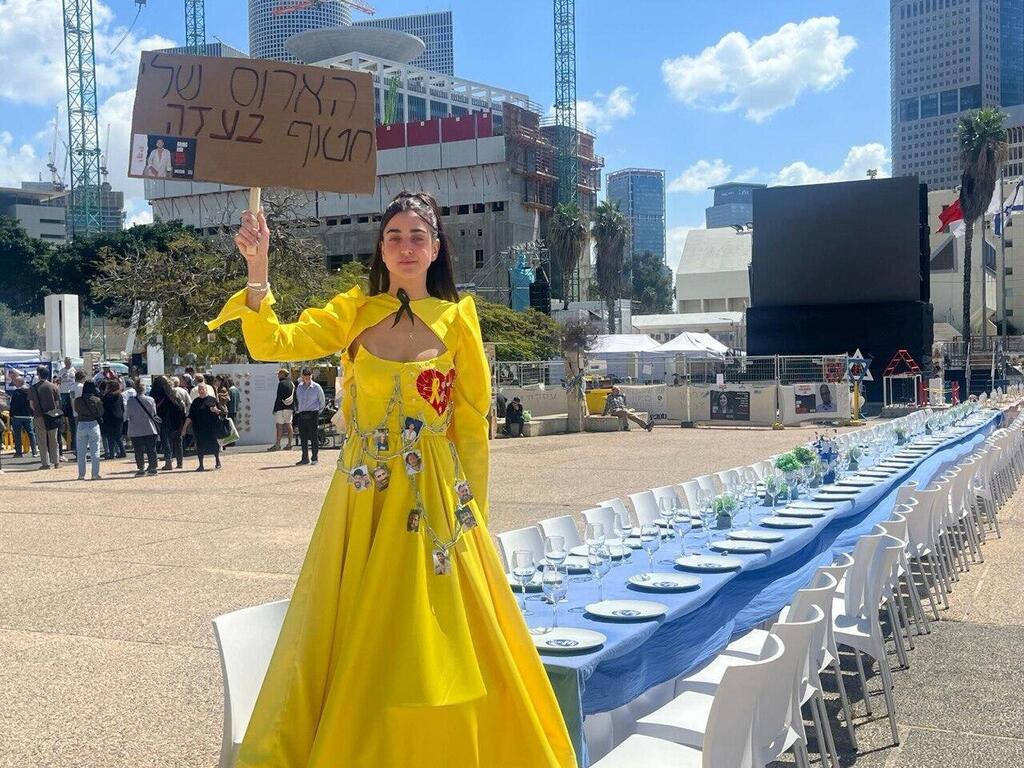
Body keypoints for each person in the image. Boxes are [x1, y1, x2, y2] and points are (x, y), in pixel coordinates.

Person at [207, 190, 575, 767]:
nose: (406, 246)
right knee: (353, 624)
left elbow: (472, 426)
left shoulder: (459, 321)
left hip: (434, 503)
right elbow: (273, 342)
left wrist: (473, 514)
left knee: (438, 636)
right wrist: (258, 266)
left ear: (436, 249)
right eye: (395, 235)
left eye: (417, 236)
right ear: (381, 247)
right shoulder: (353, 310)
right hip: (362, 501)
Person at [184, 382, 224, 471]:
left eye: (203, 389)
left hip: (211, 427)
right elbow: (190, 415)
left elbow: (221, 412)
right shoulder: (195, 401)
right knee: (200, 446)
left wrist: (216, 410)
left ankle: (217, 460)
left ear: (206, 390)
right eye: (199, 390)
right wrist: (185, 427)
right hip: (199, 428)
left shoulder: (212, 399)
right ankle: (201, 465)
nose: (201, 391)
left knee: (214, 445)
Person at [28, 365, 61, 469]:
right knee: (54, 440)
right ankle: (56, 461)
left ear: (38, 375)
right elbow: (57, 403)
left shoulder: (33, 388)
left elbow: (31, 405)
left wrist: (37, 410)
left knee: (42, 441)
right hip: (52, 416)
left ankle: (45, 463)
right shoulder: (54, 387)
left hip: (39, 416)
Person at [126, 377, 160, 476]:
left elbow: (128, 415)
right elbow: (154, 413)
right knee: (151, 449)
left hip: (135, 429)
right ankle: (153, 468)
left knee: (138, 450)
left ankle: (141, 468)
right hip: (149, 427)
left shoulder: (130, 401)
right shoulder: (150, 400)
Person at [152, 375, 186, 470]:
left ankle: (168, 462)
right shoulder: (173, 397)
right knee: (178, 441)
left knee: (165, 441)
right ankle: (180, 462)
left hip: (164, 422)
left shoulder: (156, 396)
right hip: (177, 422)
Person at [294, 366, 325, 466]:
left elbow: (322, 401)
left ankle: (315, 458)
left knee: (313, 436)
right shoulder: (299, 387)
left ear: (311, 377)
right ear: (303, 377)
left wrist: (317, 412)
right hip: (302, 413)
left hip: (313, 413)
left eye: (309, 377)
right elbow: (297, 400)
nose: (307, 379)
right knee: (303, 437)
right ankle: (304, 458)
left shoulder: (317, 387)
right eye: (305, 377)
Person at [73, 380, 104, 480]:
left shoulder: (77, 400)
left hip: (81, 424)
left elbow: (76, 410)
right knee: (95, 451)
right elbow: (101, 412)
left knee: (81, 452)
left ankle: (81, 474)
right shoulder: (96, 400)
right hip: (93, 424)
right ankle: (95, 474)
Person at [9, 375, 37, 458]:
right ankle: (34, 452)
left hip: (17, 416)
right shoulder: (29, 390)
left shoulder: (16, 392)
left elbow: (12, 405)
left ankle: (18, 453)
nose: (14, 383)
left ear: (19, 382)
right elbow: (32, 402)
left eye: (15, 381)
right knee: (31, 434)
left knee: (17, 435)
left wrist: (12, 414)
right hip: (28, 416)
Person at [54, 357, 77, 455]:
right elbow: (57, 381)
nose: (68, 363)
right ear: (64, 363)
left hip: (71, 392)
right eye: (67, 362)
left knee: (73, 419)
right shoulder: (61, 371)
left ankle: (74, 444)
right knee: (63, 416)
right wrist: (60, 379)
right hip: (63, 393)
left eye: (69, 362)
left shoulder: (74, 370)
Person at [269, 367, 295, 451]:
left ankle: (278, 444)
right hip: (290, 407)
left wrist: (275, 408)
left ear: (283, 374)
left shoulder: (281, 383)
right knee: (289, 424)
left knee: (279, 426)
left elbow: (279, 397)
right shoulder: (292, 383)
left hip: (281, 407)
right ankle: (289, 443)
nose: (278, 375)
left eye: (279, 374)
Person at [100, 379, 126, 459]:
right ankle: (122, 451)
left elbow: (103, 408)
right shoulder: (120, 396)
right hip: (119, 417)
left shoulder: (106, 397)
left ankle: (111, 454)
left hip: (109, 418)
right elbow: (122, 407)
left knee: (110, 436)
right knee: (118, 436)